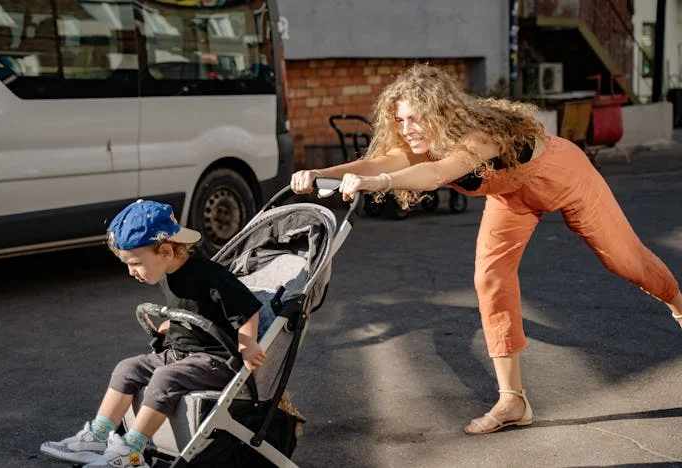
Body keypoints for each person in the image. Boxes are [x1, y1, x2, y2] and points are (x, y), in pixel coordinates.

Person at [291, 63, 682, 435]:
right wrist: (320, 175)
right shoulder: (421, 141)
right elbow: (380, 161)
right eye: (399, 120)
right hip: (511, 195)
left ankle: (678, 302)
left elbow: (438, 173)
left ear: (439, 111)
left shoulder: (479, 134)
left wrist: (380, 184)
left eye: (414, 118)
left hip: (563, 175)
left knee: (624, 261)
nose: (406, 129)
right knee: (490, 277)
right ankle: (513, 401)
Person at [40, 200, 267, 467]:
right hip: (181, 353)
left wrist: (247, 342)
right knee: (127, 368)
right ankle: (97, 437)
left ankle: (132, 452)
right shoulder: (166, 270)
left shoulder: (209, 275)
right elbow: (194, 309)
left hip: (215, 360)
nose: (130, 271)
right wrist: (171, 325)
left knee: (164, 377)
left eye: (135, 263)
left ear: (166, 251)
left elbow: (247, 308)